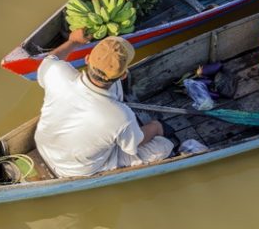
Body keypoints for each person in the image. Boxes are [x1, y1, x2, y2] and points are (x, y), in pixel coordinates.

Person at [34, 29, 175, 177]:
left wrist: (73, 41)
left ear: (87, 59)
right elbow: (133, 146)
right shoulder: (122, 117)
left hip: (43, 147)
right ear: (124, 75)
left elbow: (51, 58)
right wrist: (155, 127)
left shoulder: (56, 72)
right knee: (163, 146)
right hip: (75, 170)